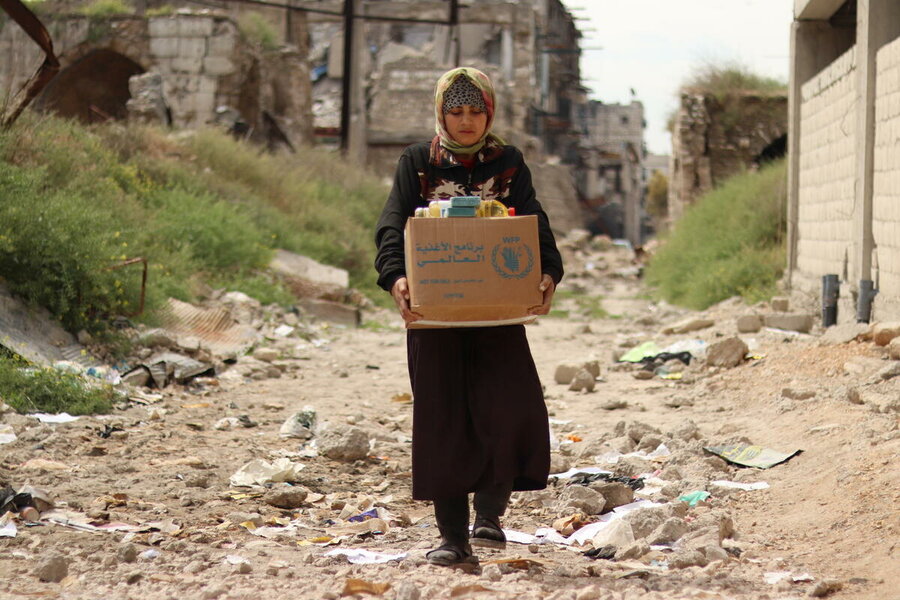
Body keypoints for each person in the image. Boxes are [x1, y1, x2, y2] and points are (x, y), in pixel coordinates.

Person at [374, 67, 564, 566]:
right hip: (436, 317)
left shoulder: (508, 162)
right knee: (444, 417)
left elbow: (532, 220)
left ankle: (491, 515)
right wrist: (396, 277)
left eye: (474, 111)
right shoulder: (417, 162)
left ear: (488, 113)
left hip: (495, 314)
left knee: (505, 408)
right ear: (441, 112)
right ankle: (452, 536)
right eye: (455, 112)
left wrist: (547, 273)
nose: (465, 122)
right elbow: (393, 224)